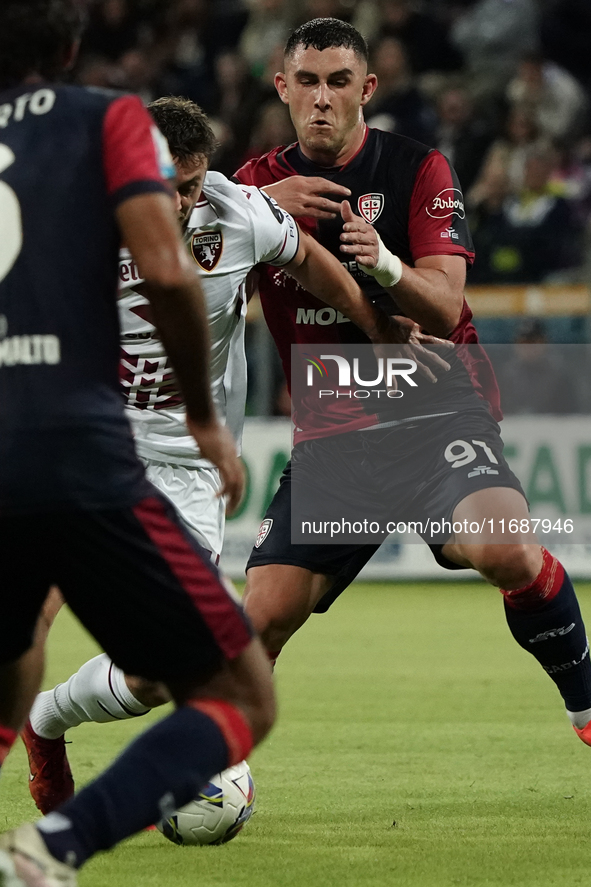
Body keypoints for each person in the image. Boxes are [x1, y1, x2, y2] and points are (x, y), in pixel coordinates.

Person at [21, 93, 445, 816]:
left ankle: (46, 721)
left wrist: (375, 325)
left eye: (192, 184)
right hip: (87, 445)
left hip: (185, 467)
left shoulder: (236, 212)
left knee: (168, 669)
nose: (182, 201)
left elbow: (308, 259)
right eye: (166, 184)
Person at [233, 18, 591, 747]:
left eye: (339, 82)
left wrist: (386, 264)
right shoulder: (253, 188)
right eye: (306, 82)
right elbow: (188, 268)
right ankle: (219, 768)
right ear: (282, 88)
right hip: (335, 434)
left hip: (435, 413)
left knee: (506, 549)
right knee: (257, 618)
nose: (322, 99)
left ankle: (587, 709)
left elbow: (447, 300)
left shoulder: (418, 168)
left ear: (367, 88)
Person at [0, 2, 273, 885]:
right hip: (82, 447)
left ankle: (41, 744)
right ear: (75, 49)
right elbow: (165, 270)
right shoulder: (102, 122)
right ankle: (58, 845)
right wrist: (204, 416)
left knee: (16, 655)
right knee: (234, 690)